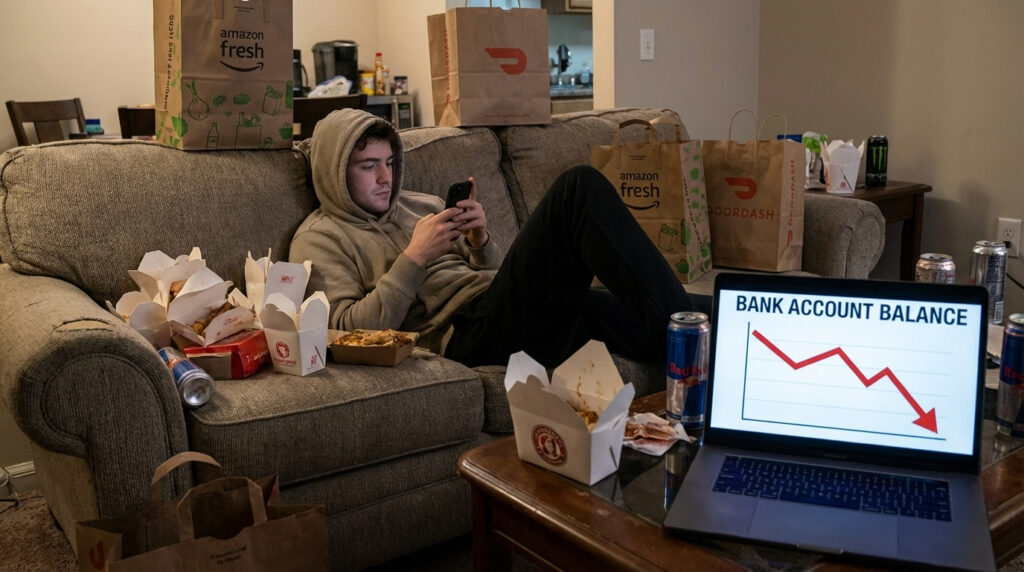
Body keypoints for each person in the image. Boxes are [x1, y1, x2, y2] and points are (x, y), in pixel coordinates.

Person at [290, 109, 703, 368]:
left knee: (684, 314)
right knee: (579, 189)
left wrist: (479, 240)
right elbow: (345, 335)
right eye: (368, 166)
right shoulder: (319, 238)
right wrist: (413, 259)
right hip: (465, 336)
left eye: (390, 163)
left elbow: (492, 276)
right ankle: (696, 349)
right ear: (335, 171)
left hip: (504, 313)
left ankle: (708, 374)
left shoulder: (421, 204)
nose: (385, 178)